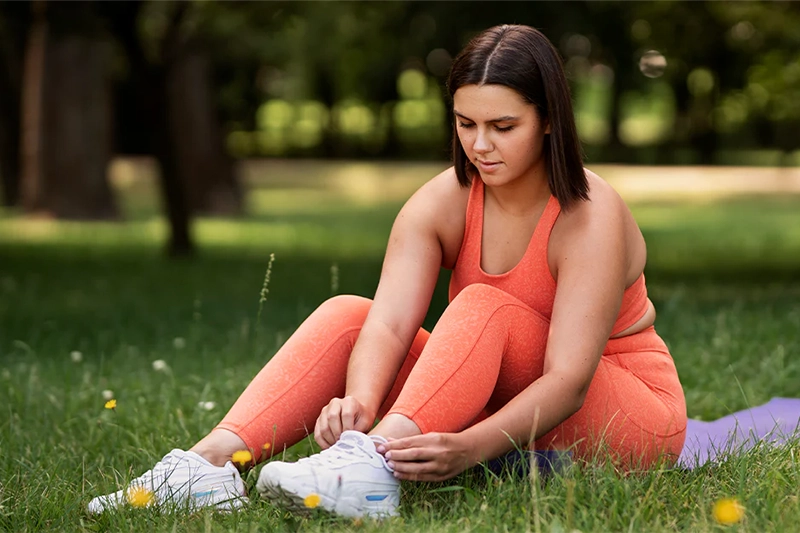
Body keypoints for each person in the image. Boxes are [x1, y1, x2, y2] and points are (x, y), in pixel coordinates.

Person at [87, 24, 686, 519]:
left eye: (504, 127)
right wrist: (358, 404)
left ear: (550, 120)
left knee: (481, 305)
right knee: (352, 313)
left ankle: (373, 464)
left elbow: (568, 381)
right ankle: (212, 465)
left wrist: (468, 449)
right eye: (465, 123)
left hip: (625, 414)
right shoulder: (443, 202)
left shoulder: (588, 214)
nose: (480, 145)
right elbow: (391, 326)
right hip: (503, 393)